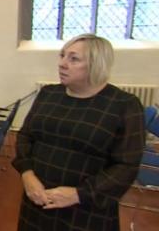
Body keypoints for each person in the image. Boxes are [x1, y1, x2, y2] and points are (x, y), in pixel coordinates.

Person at [12, 33, 145, 231]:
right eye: (62, 55)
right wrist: (27, 174)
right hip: (38, 201)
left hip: (86, 210)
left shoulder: (123, 105)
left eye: (73, 59)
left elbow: (126, 166)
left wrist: (79, 194)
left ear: (96, 64)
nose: (62, 64)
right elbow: (25, 136)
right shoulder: (49, 94)